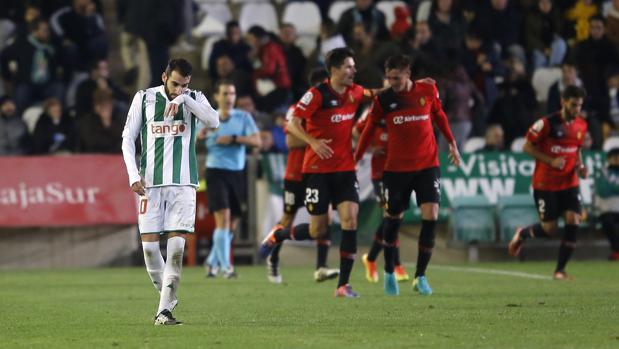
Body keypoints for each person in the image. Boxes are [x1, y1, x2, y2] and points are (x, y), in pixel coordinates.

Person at [260, 48, 376, 298]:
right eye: (348, 67)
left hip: (343, 170)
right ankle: (278, 238)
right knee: (315, 229)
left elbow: (370, 95)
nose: (353, 71)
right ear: (332, 73)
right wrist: (314, 140)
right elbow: (291, 133)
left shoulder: (353, 92)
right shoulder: (311, 99)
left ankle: (340, 283)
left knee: (349, 220)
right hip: (308, 171)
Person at [121, 58, 220, 325]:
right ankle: (168, 295)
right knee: (151, 250)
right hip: (149, 185)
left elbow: (214, 121)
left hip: (184, 185)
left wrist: (185, 100)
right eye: (175, 84)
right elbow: (128, 138)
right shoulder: (143, 98)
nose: (178, 89)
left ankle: (163, 312)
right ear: (164, 76)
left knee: (176, 250)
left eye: (184, 85)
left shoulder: (194, 98)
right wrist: (132, 174)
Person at [354, 54, 461, 296]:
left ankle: (421, 276)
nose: (393, 83)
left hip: (427, 166)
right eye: (390, 78)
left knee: (431, 215)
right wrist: (356, 159)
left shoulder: (427, 90)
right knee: (393, 220)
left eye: (398, 78)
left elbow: (439, 116)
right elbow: (368, 130)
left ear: (408, 74)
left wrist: (452, 143)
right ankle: (390, 272)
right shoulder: (384, 99)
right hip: (396, 170)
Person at [265, 68, 340, 284]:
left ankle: (321, 267)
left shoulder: (331, 112)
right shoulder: (296, 110)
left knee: (324, 219)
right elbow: (290, 142)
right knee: (287, 219)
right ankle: (274, 258)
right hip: (296, 175)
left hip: (319, 174)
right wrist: (315, 139)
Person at [508, 85, 588, 280]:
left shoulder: (581, 125)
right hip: (545, 185)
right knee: (549, 229)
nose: (576, 109)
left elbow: (577, 149)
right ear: (563, 102)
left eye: (579, 105)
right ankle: (523, 233)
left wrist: (580, 166)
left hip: (570, 182)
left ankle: (560, 270)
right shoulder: (546, 124)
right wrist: (550, 160)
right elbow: (526, 146)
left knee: (574, 220)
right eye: (573, 104)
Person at [202, 80, 261, 279]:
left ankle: (211, 261)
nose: (229, 98)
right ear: (216, 97)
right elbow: (193, 140)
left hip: (237, 173)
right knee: (224, 218)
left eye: (232, 93)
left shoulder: (243, 117)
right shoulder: (208, 118)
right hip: (215, 171)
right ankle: (227, 267)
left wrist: (234, 139)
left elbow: (257, 141)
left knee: (232, 223)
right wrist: (200, 137)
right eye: (225, 94)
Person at [354, 111, 410, 284]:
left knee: (394, 218)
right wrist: (370, 148)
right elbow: (355, 131)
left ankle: (370, 259)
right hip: (380, 174)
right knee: (392, 217)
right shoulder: (374, 111)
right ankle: (396, 264)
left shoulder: (404, 109)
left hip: (399, 172)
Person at [594, 147, 619, 261]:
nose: (618, 160)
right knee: (608, 223)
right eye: (615, 158)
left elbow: (610, 188)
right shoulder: (603, 171)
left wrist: (613, 188)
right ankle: (617, 251)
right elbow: (603, 190)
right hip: (607, 209)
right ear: (609, 159)